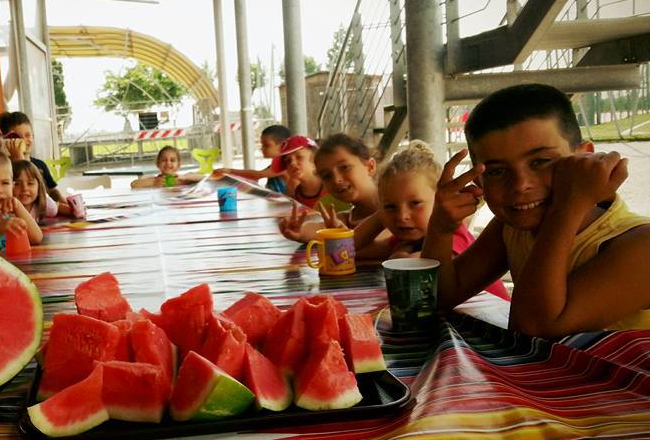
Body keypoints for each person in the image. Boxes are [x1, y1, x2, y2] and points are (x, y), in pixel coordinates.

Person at [422, 83, 650, 336]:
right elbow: (435, 298)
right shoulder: (511, 229)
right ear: (479, 183)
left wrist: (569, 204)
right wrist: (441, 228)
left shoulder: (640, 244)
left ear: (584, 157)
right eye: (497, 171)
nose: (521, 185)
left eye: (541, 162)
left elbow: (532, 330)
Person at [345, 141, 509, 299]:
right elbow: (346, 250)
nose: (402, 216)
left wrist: (398, 254)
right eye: (391, 207)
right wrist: (382, 214)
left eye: (415, 203)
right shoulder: (407, 238)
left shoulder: (452, 236)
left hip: (490, 322)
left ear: (440, 200)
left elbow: (409, 267)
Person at [278, 134, 380, 242]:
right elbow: (320, 229)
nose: (336, 180)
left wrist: (343, 244)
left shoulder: (391, 208)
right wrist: (298, 230)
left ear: (370, 167)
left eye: (345, 167)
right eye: (327, 176)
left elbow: (384, 246)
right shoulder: (348, 218)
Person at [0, 111, 79, 217]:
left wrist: (68, 205)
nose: (24, 140)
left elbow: (52, 191)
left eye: (28, 135)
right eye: (18, 137)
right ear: (7, 140)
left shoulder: (39, 164)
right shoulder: (4, 168)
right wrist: (19, 159)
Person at [213, 124, 293, 193]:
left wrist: (230, 171)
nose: (262, 149)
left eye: (266, 145)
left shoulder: (285, 165)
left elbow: (258, 175)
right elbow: (254, 177)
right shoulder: (274, 165)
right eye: (262, 145)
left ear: (283, 145)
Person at [130, 145, 204, 189]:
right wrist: (154, 182)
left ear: (178, 164)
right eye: (164, 160)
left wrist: (185, 177)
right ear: (157, 164)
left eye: (172, 160)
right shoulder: (155, 179)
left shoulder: (182, 179)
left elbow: (204, 177)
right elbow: (133, 184)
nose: (168, 163)